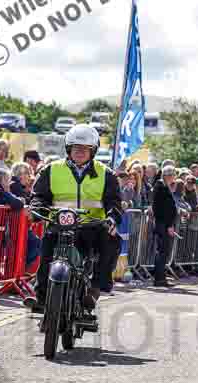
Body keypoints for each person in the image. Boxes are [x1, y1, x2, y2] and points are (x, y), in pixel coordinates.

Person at [23, 124, 122, 314]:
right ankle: (42, 298)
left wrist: (111, 218)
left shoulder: (106, 173)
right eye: (76, 148)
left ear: (93, 151)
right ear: (68, 148)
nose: (80, 152)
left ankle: (94, 289)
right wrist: (36, 209)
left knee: (112, 241)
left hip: (92, 226)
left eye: (85, 149)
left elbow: (114, 202)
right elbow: (39, 196)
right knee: (46, 254)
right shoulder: (51, 170)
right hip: (59, 224)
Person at [151, 165, 179, 287]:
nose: (174, 177)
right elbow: (163, 209)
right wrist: (169, 225)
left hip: (164, 223)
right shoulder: (160, 186)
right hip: (163, 224)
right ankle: (159, 278)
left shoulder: (164, 186)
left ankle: (161, 277)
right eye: (173, 175)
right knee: (162, 251)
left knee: (164, 251)